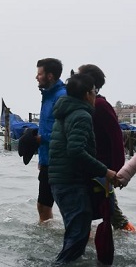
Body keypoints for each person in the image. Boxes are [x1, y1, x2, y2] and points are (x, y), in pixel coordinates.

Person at [48, 73, 117, 265]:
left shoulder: (65, 111)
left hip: (60, 181)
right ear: (87, 94)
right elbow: (76, 151)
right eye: (95, 91)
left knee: (75, 232)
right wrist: (106, 171)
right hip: (70, 182)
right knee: (78, 235)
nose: (96, 95)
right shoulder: (81, 115)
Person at [78, 64, 134, 232]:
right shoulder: (86, 106)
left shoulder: (101, 105)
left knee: (109, 211)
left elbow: (116, 139)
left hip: (101, 170)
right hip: (93, 169)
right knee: (103, 210)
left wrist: (116, 170)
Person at [34, 58, 67, 222]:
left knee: (67, 208)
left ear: (50, 76)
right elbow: (47, 126)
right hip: (48, 160)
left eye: (40, 74)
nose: (36, 77)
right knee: (43, 206)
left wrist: (40, 139)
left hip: (59, 162)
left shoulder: (61, 97)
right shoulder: (47, 96)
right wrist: (42, 158)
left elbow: (63, 132)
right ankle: (45, 242)